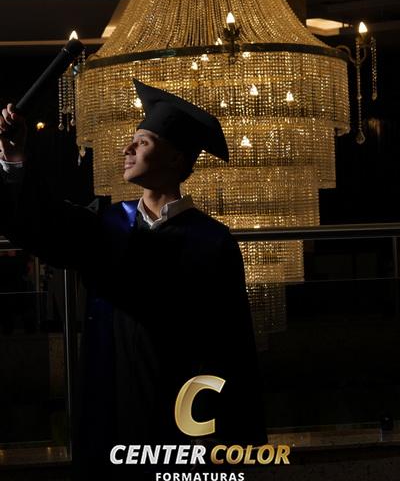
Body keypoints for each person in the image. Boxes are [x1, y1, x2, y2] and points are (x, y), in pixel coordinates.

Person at [0, 79, 266, 477]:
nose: (128, 149)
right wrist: (16, 156)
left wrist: (224, 438)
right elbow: (45, 225)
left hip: (182, 413)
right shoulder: (108, 225)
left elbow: (231, 343)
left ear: (175, 158)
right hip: (113, 401)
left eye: (142, 142)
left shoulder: (212, 241)